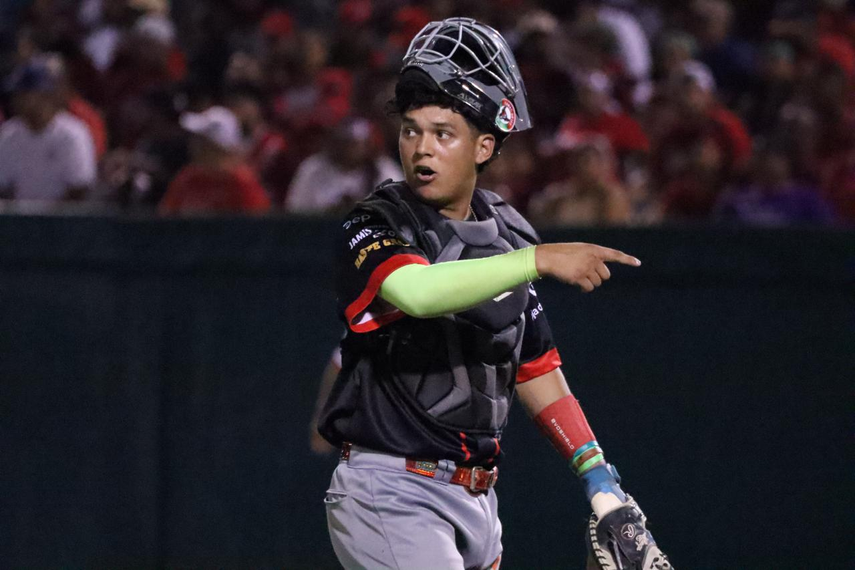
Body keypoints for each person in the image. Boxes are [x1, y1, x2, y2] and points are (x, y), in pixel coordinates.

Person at [317, 18, 672, 570]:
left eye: (443, 132)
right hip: (388, 490)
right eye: (411, 130)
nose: (421, 149)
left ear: (485, 146)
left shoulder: (506, 232)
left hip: (479, 500)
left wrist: (602, 484)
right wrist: (539, 258)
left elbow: (535, 365)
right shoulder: (374, 222)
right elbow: (417, 291)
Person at [0, 56, 96, 202]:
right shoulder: (9, 133)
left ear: (44, 95)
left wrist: (45, 218)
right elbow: (3, 186)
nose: (16, 100)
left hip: (64, 221)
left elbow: (79, 188)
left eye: (24, 94)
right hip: (18, 221)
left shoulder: (72, 134)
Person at [159, 105, 270, 214]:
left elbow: (258, 227)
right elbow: (165, 220)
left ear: (218, 146)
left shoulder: (242, 184)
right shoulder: (187, 178)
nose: (195, 145)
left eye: (203, 140)